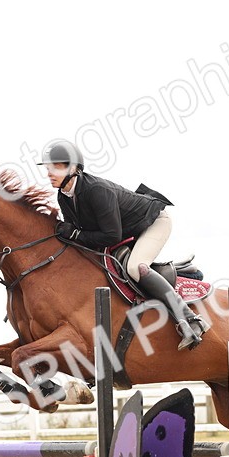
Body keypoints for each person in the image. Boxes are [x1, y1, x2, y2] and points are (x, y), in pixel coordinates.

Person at [39, 140, 210, 350]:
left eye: (56, 167)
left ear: (74, 168)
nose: (49, 173)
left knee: (135, 268)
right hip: (126, 229)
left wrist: (75, 233)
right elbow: (82, 238)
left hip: (154, 222)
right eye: (48, 168)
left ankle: (191, 319)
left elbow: (110, 235)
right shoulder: (64, 196)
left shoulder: (96, 190)